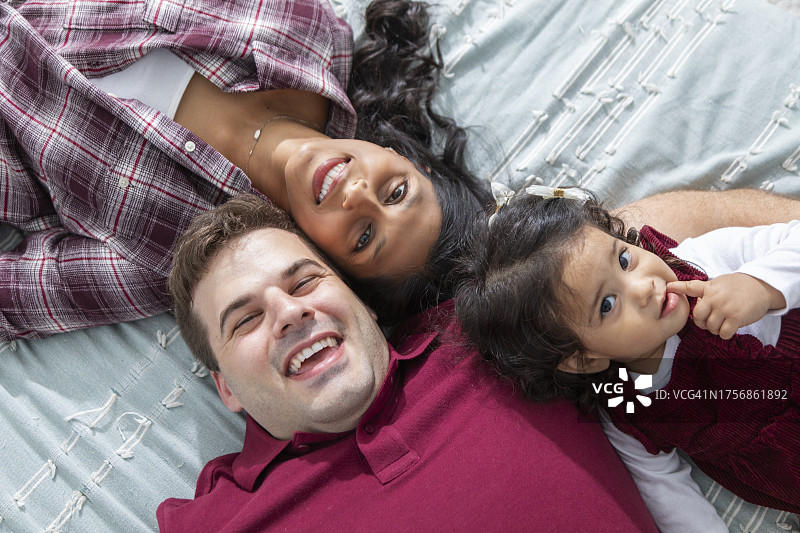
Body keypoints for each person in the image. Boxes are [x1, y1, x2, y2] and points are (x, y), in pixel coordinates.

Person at [156, 194, 659, 532]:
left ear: (363, 302)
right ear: (226, 390)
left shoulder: (479, 329)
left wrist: (741, 281)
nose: (290, 313)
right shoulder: (215, 521)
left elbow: (635, 263)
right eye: (244, 320)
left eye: (304, 282)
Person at [0, 0, 492, 339]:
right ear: (414, 160)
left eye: (363, 237)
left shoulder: (178, 254)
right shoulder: (310, 32)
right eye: (397, 192)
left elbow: (15, 295)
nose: (358, 195)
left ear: (333, 268)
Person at [454, 188, 800, 532]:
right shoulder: (627, 409)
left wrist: (758, 284)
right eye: (607, 304)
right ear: (581, 359)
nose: (643, 287)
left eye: (624, 260)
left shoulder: (699, 263)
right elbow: (668, 494)